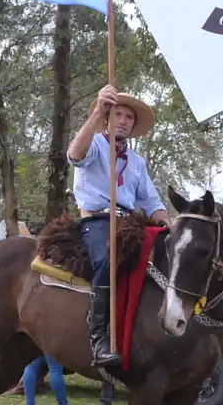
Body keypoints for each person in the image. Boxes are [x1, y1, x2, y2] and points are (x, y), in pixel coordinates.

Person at [68, 84, 170, 374]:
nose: (124, 120)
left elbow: (151, 201)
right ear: (107, 119)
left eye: (129, 117)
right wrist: (98, 110)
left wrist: (167, 222)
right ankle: (99, 339)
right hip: (97, 221)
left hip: (129, 222)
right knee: (108, 257)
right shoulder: (94, 144)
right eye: (118, 114)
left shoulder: (138, 162)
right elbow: (74, 155)